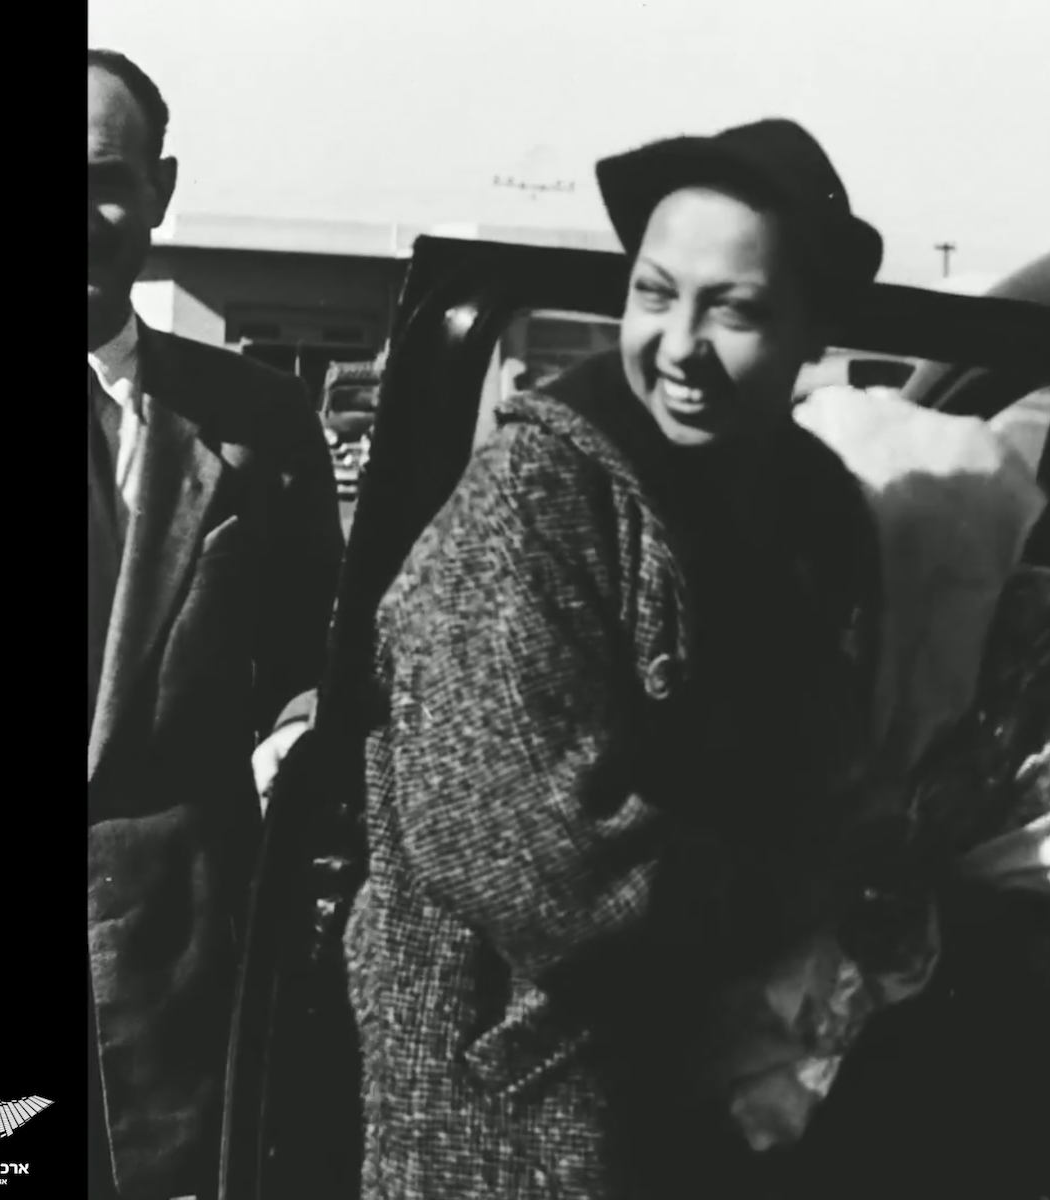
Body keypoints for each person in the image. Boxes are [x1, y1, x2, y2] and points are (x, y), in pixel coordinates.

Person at [342, 118, 887, 1199]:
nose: (678, 346)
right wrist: (791, 905)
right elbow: (529, 857)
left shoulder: (819, 507)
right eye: (653, 293)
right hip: (521, 1090)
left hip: (727, 1068)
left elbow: (832, 750)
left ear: (813, 329)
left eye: (732, 309)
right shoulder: (535, 499)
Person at [87, 49, 343, 1200]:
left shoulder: (256, 419)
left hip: (177, 962)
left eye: (104, 176)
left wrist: (300, 733)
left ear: (159, 190)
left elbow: (318, 662)